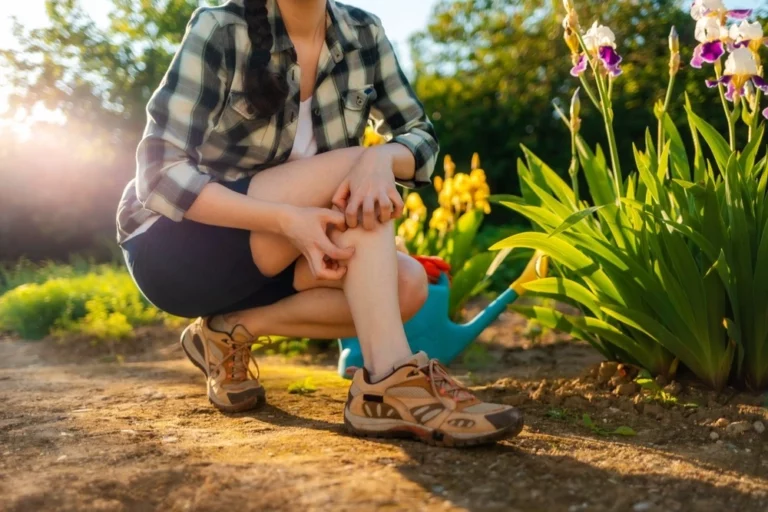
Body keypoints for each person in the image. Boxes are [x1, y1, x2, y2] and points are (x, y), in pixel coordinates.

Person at [117, 0, 523, 447]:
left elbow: (421, 136)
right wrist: (288, 219)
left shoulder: (363, 34)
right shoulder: (222, 28)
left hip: (279, 252)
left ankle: (230, 330)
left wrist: (382, 158)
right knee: (352, 168)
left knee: (408, 284)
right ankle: (388, 380)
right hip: (176, 249)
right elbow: (157, 174)